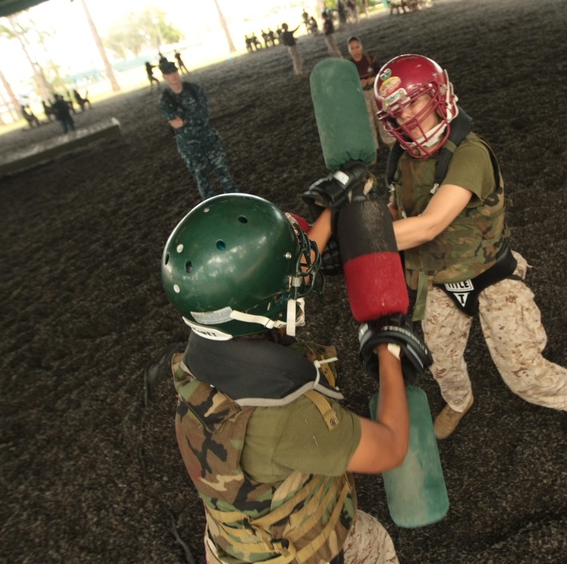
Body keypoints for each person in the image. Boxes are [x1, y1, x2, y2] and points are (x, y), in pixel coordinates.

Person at [162, 193, 416, 563]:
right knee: (372, 542)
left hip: (236, 543)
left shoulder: (202, 354)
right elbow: (392, 448)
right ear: (261, 308)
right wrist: (387, 347)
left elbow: (263, 287)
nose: (299, 283)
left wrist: (333, 209)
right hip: (301, 553)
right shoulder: (289, 414)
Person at [374, 54, 567, 443]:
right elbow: (398, 212)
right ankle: (461, 402)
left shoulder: (469, 153)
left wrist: (361, 239)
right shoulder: (401, 158)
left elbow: (429, 225)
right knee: (442, 364)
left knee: (522, 372)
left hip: (489, 274)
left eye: (413, 102)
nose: (406, 117)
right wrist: (368, 215)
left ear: (439, 96)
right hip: (439, 278)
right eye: (396, 110)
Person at [158, 60, 238, 200]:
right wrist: (191, 117)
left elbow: (204, 115)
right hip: (189, 145)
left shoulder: (194, 89)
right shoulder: (166, 99)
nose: (174, 76)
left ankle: (236, 201)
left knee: (223, 172)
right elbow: (175, 124)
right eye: (169, 74)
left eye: (175, 72)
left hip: (209, 138)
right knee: (202, 179)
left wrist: (184, 120)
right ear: (165, 77)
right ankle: (209, 211)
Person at [347, 36, 393, 150]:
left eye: (357, 47)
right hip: (361, 96)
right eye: (352, 48)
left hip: (375, 93)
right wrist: (357, 83)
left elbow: (383, 74)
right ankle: (372, 148)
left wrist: (374, 78)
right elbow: (346, 82)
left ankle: (391, 142)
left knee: (382, 117)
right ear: (349, 50)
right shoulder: (348, 66)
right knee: (367, 122)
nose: (355, 50)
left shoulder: (371, 59)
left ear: (361, 47)